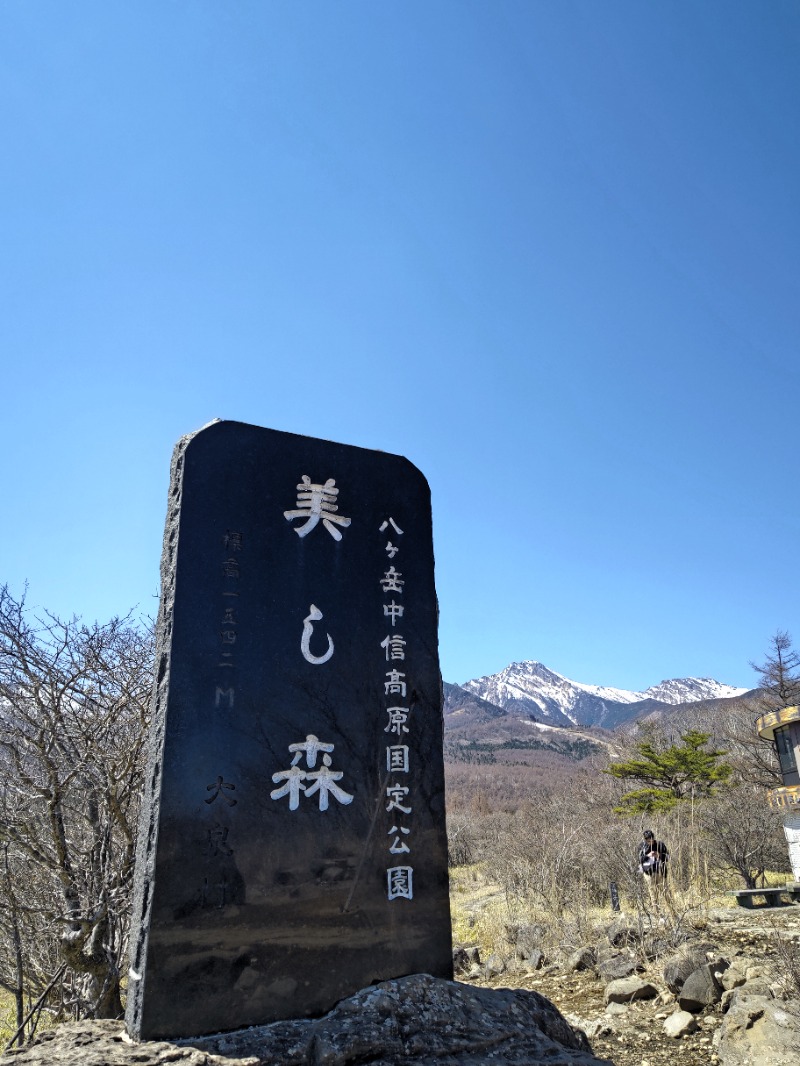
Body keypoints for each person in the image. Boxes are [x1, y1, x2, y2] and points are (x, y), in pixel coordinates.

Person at [638, 830, 669, 903]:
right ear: (645, 840)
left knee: (666, 892)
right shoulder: (642, 846)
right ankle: (656, 913)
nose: (650, 842)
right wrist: (648, 856)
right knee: (653, 894)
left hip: (660, 872)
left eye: (651, 840)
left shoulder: (660, 845)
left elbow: (668, 857)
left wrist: (659, 855)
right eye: (648, 841)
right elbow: (640, 859)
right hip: (648, 873)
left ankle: (672, 912)